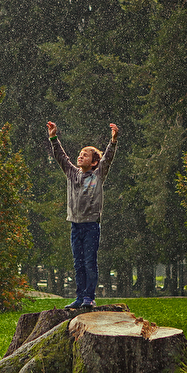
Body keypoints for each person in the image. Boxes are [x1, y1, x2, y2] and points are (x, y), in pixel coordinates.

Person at [47, 121, 119, 308]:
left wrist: (113, 142)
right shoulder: (72, 174)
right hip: (75, 225)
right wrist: (53, 138)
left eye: (85, 155)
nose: (80, 156)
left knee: (89, 262)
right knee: (78, 263)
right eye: (80, 154)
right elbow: (61, 157)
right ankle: (80, 297)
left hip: (91, 226)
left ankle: (89, 297)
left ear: (94, 162)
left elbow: (107, 159)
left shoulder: (98, 175)